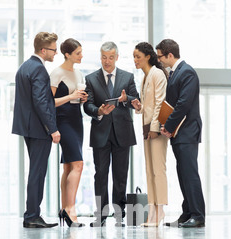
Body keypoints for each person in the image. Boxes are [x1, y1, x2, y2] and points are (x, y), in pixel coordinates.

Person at [84, 41, 139, 228]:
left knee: (121, 175)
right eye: (104, 57)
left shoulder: (128, 77)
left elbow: (135, 99)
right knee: (100, 175)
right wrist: (98, 111)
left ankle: (119, 214)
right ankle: (100, 215)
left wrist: (127, 99)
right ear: (100, 57)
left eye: (110, 57)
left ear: (117, 57)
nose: (107, 61)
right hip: (100, 132)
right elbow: (87, 105)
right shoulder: (91, 79)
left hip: (123, 132)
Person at [12, 32, 61, 229]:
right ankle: (32, 215)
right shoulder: (39, 70)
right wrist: (53, 129)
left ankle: (31, 213)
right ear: (43, 50)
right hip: (39, 129)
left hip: (27, 127)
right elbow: (41, 103)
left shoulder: (24, 67)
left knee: (35, 171)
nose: (55, 53)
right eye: (53, 50)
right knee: (38, 172)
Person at [156, 39, 206, 228]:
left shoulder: (187, 72)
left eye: (160, 56)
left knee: (190, 173)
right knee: (182, 173)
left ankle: (198, 215)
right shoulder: (174, 73)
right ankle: (187, 213)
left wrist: (168, 126)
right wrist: (166, 125)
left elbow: (183, 104)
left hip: (187, 132)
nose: (159, 60)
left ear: (170, 55)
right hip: (179, 133)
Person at [50, 38, 88, 228]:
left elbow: (76, 99)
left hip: (76, 118)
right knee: (78, 164)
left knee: (68, 166)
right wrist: (71, 96)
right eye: (78, 53)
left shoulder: (79, 73)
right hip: (62, 119)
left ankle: (65, 207)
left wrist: (80, 99)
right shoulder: (57, 73)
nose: (81, 56)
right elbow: (49, 103)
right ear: (68, 54)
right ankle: (70, 209)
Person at [131, 42, 169, 227]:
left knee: (158, 170)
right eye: (134, 57)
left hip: (155, 129)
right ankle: (152, 209)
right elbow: (148, 104)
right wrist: (139, 108)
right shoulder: (145, 77)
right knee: (149, 170)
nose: (135, 60)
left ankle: (160, 209)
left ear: (147, 56)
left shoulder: (157, 74)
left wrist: (155, 127)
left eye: (138, 56)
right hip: (146, 127)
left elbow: (160, 103)